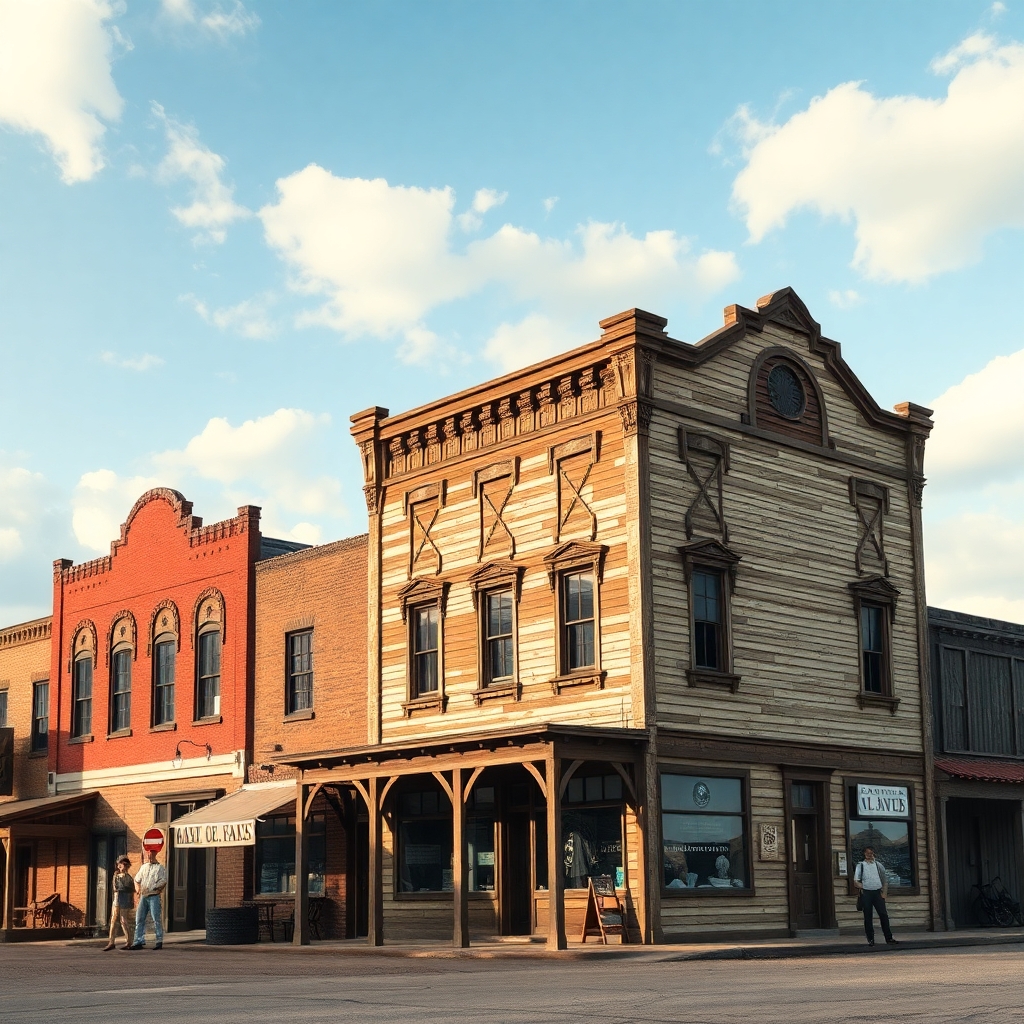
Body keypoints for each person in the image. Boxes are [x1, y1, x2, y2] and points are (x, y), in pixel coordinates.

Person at [854, 845, 898, 946]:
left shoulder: (879, 865)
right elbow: (856, 882)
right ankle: (870, 939)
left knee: (883, 915)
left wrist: (884, 894)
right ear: (864, 854)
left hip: (878, 893)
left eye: (871, 853)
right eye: (867, 853)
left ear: (874, 854)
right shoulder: (860, 866)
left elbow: (884, 880)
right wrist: (864, 886)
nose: (869, 855)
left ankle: (889, 938)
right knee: (868, 916)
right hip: (866, 893)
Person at [128, 848, 167, 950]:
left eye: (151, 854)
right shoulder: (144, 867)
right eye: (148, 854)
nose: (149, 856)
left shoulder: (160, 868)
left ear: (155, 854)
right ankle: (138, 941)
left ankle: (159, 941)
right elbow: (136, 880)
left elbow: (163, 881)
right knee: (139, 918)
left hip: (154, 896)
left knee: (156, 919)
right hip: (144, 896)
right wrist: (138, 889)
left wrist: (155, 887)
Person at [102, 856, 135, 951]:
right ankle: (111, 942)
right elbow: (115, 887)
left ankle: (129, 941)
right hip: (117, 898)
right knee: (113, 919)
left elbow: (131, 889)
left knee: (123, 920)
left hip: (125, 899)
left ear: (127, 865)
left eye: (123, 864)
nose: (120, 866)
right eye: (119, 864)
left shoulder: (129, 877)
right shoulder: (116, 875)